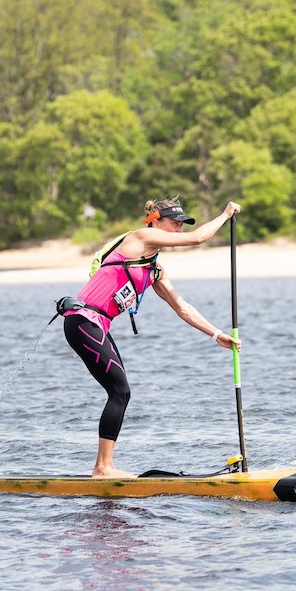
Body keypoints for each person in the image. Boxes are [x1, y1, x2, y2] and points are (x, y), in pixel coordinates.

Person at [61, 196, 242, 477]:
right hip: (83, 321)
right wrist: (225, 214)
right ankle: (103, 468)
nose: (178, 230)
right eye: (174, 224)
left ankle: (103, 466)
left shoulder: (154, 269)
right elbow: (197, 239)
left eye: (182, 225)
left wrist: (216, 334)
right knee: (120, 392)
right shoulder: (139, 237)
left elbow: (182, 308)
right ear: (155, 222)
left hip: (95, 325)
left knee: (120, 392)